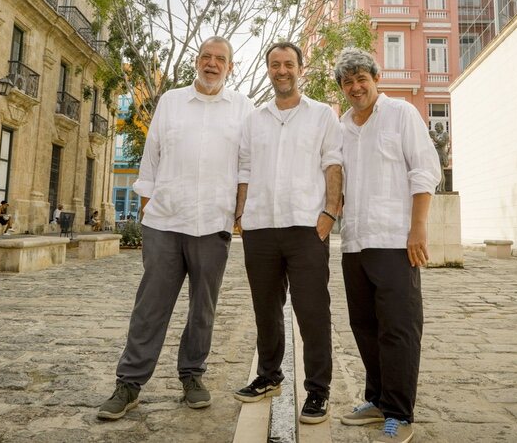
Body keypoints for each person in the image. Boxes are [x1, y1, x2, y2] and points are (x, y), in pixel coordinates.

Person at [97, 36, 254, 420]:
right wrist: (149, 206)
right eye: (206, 57)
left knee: (203, 308)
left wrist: (238, 213)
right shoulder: (170, 102)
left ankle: (192, 376)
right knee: (150, 307)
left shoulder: (243, 108)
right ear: (196, 62)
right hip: (166, 221)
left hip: (213, 223)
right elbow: (151, 157)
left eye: (220, 59)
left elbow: (247, 165)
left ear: (230, 67)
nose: (212, 63)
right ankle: (130, 382)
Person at [333, 48, 440, 443]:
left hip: (396, 241)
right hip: (355, 244)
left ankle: (399, 412)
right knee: (364, 326)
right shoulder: (341, 126)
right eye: (348, 81)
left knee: (398, 329)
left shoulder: (401, 114)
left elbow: (424, 170)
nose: (356, 86)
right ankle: (376, 400)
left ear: (376, 78)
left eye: (362, 78)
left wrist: (418, 228)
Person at [232, 42, 342, 424]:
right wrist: (241, 213)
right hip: (260, 226)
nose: (282, 70)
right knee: (266, 308)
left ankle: (318, 391)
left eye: (289, 64)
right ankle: (268, 376)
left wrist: (330, 212)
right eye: (275, 64)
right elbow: (244, 169)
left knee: (312, 310)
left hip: (306, 227)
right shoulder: (253, 119)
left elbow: (333, 164)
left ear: (300, 68)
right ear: (268, 69)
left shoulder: (323, 115)